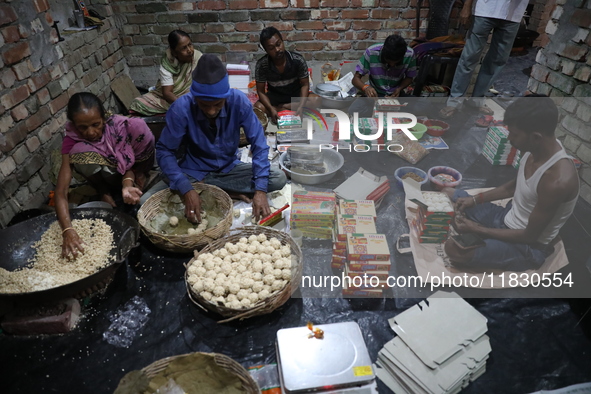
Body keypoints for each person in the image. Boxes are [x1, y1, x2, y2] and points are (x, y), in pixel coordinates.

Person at [443, 95, 579, 272]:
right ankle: (481, 234)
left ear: (536, 137)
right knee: (450, 193)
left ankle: (486, 240)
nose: (509, 139)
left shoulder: (557, 181)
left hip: (526, 245)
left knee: (453, 250)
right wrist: (475, 200)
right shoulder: (535, 147)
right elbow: (513, 187)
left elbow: (529, 236)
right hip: (507, 218)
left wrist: (477, 228)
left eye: (513, 134)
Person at [153, 54, 287, 223]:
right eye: (204, 105)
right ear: (195, 98)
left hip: (228, 169)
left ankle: (212, 189)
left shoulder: (239, 102)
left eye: (217, 104)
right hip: (194, 170)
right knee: (149, 199)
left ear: (226, 96)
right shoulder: (181, 109)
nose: (210, 111)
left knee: (277, 178)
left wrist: (260, 191)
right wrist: (186, 189)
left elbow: (259, 145)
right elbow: (165, 151)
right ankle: (220, 191)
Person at [56, 92, 155, 258]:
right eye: (83, 127)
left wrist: (127, 183)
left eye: (96, 124)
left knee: (139, 127)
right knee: (79, 153)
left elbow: (128, 163)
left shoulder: (117, 127)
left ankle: (140, 178)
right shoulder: (71, 139)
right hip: (107, 175)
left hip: (133, 166)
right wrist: (67, 230)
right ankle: (104, 189)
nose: (91, 132)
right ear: (74, 125)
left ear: (104, 118)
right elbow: (61, 192)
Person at [439, 0, 529, 119]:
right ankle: (454, 102)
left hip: (513, 14)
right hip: (486, 9)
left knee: (497, 60)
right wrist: (467, 5)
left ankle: (477, 101)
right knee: (469, 57)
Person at [130, 30, 202, 116]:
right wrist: (184, 106)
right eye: (184, 48)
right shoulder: (167, 63)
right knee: (138, 103)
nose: (190, 50)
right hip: (171, 99)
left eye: (190, 45)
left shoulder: (198, 57)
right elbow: (167, 93)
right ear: (175, 52)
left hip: (191, 95)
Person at [348, 34, 418, 118]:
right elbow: (355, 78)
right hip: (375, 96)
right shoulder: (371, 52)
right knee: (354, 109)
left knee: (424, 104)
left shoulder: (409, 54)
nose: (392, 65)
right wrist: (366, 88)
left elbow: (409, 77)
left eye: (396, 63)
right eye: (388, 62)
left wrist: (399, 89)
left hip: (395, 96)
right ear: (383, 53)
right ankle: (389, 112)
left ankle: (383, 112)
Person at [254, 27, 312, 124]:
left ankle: (283, 108)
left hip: (295, 96)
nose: (277, 49)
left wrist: (301, 106)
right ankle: (281, 109)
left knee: (317, 100)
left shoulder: (297, 60)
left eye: (278, 44)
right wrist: (271, 108)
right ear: (266, 50)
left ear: (282, 41)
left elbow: (305, 85)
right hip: (275, 97)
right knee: (258, 107)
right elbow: (261, 91)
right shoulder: (262, 65)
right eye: (271, 48)